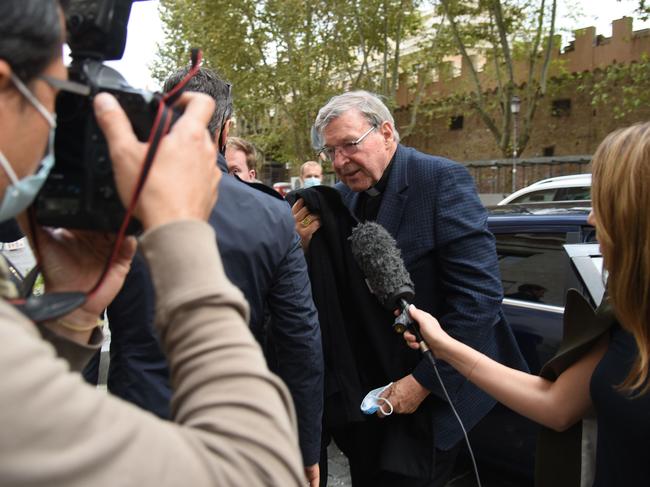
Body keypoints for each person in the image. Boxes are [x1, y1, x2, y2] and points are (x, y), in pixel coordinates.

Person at [0, 1, 304, 485]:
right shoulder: (265, 213)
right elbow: (255, 472)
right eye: (57, 97)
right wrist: (182, 230)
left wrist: (72, 321)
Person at [86, 66, 324, 486]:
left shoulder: (117, 202)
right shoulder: (270, 213)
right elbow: (300, 342)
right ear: (225, 129)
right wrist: (304, 444)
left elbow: (83, 319)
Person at [292, 90, 526, 486]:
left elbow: (479, 300)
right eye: (331, 151)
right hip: (380, 400)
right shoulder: (345, 198)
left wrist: (422, 384)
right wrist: (306, 249)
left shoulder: (440, 180)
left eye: (349, 145)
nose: (340, 162)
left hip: (442, 399)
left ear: (385, 132)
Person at [404, 122, 650, 487]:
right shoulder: (629, 316)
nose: (591, 218)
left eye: (604, 203)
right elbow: (556, 406)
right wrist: (445, 347)